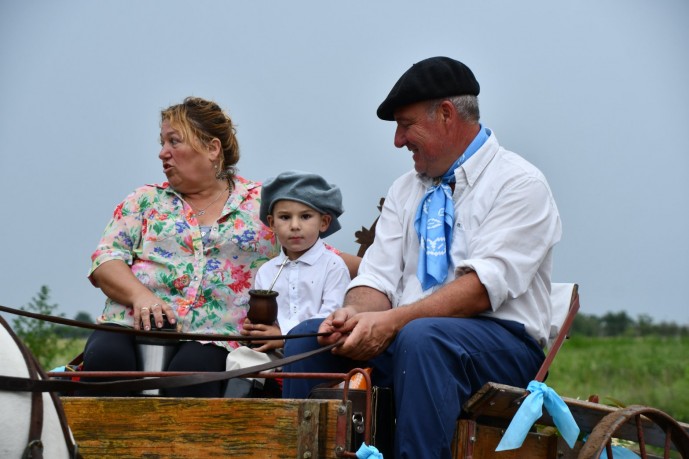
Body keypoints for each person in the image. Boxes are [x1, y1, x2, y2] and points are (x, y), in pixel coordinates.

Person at [282, 57, 562, 458]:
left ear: (446, 114)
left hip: (501, 346)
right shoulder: (405, 189)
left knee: (423, 337)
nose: (398, 140)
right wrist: (354, 317)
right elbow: (377, 277)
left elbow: (482, 289)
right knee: (310, 337)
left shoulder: (519, 183)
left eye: (405, 124)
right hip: (415, 336)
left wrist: (392, 322)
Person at [80, 97, 358, 397]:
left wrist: (378, 278)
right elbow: (106, 259)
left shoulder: (259, 205)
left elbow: (319, 255)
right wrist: (141, 296)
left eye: (174, 141)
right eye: (162, 142)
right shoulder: (143, 201)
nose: (163, 153)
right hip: (131, 325)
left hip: (215, 338)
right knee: (105, 362)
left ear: (213, 149)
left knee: (190, 378)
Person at [224, 171, 351, 396]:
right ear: (272, 223)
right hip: (274, 352)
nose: (294, 225)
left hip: (315, 351)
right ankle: (239, 424)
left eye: (305, 216)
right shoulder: (267, 271)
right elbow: (266, 319)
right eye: (285, 217)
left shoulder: (333, 266)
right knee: (240, 359)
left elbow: (331, 319)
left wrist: (283, 335)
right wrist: (255, 329)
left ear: (324, 222)